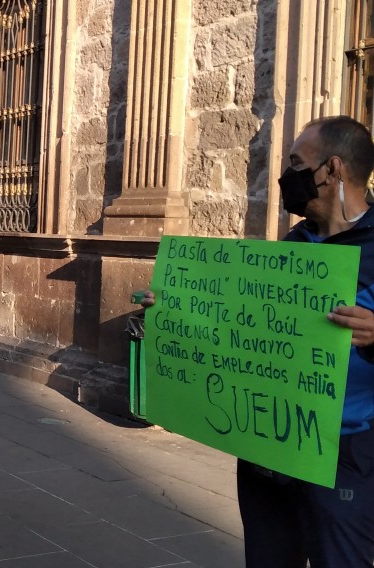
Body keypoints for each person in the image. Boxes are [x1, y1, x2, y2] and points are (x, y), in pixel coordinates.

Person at [143, 116, 374, 567]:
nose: (287, 176)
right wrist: (173, 308)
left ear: (332, 169)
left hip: (342, 454)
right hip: (268, 449)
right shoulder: (292, 246)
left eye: (296, 163)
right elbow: (239, 325)